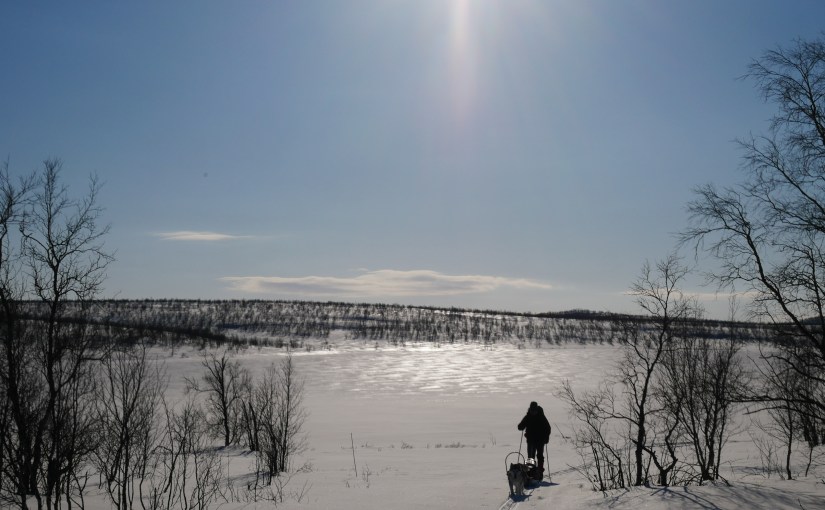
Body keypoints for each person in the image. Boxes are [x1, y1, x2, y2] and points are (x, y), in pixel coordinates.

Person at [517, 401, 551, 478]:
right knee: (530, 457)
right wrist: (521, 427)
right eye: (532, 411)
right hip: (530, 440)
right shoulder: (528, 416)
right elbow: (521, 426)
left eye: (534, 411)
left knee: (539, 456)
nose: (533, 412)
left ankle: (540, 472)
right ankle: (531, 472)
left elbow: (548, 428)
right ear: (530, 410)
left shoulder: (541, 417)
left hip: (540, 440)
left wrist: (546, 438)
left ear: (537, 410)